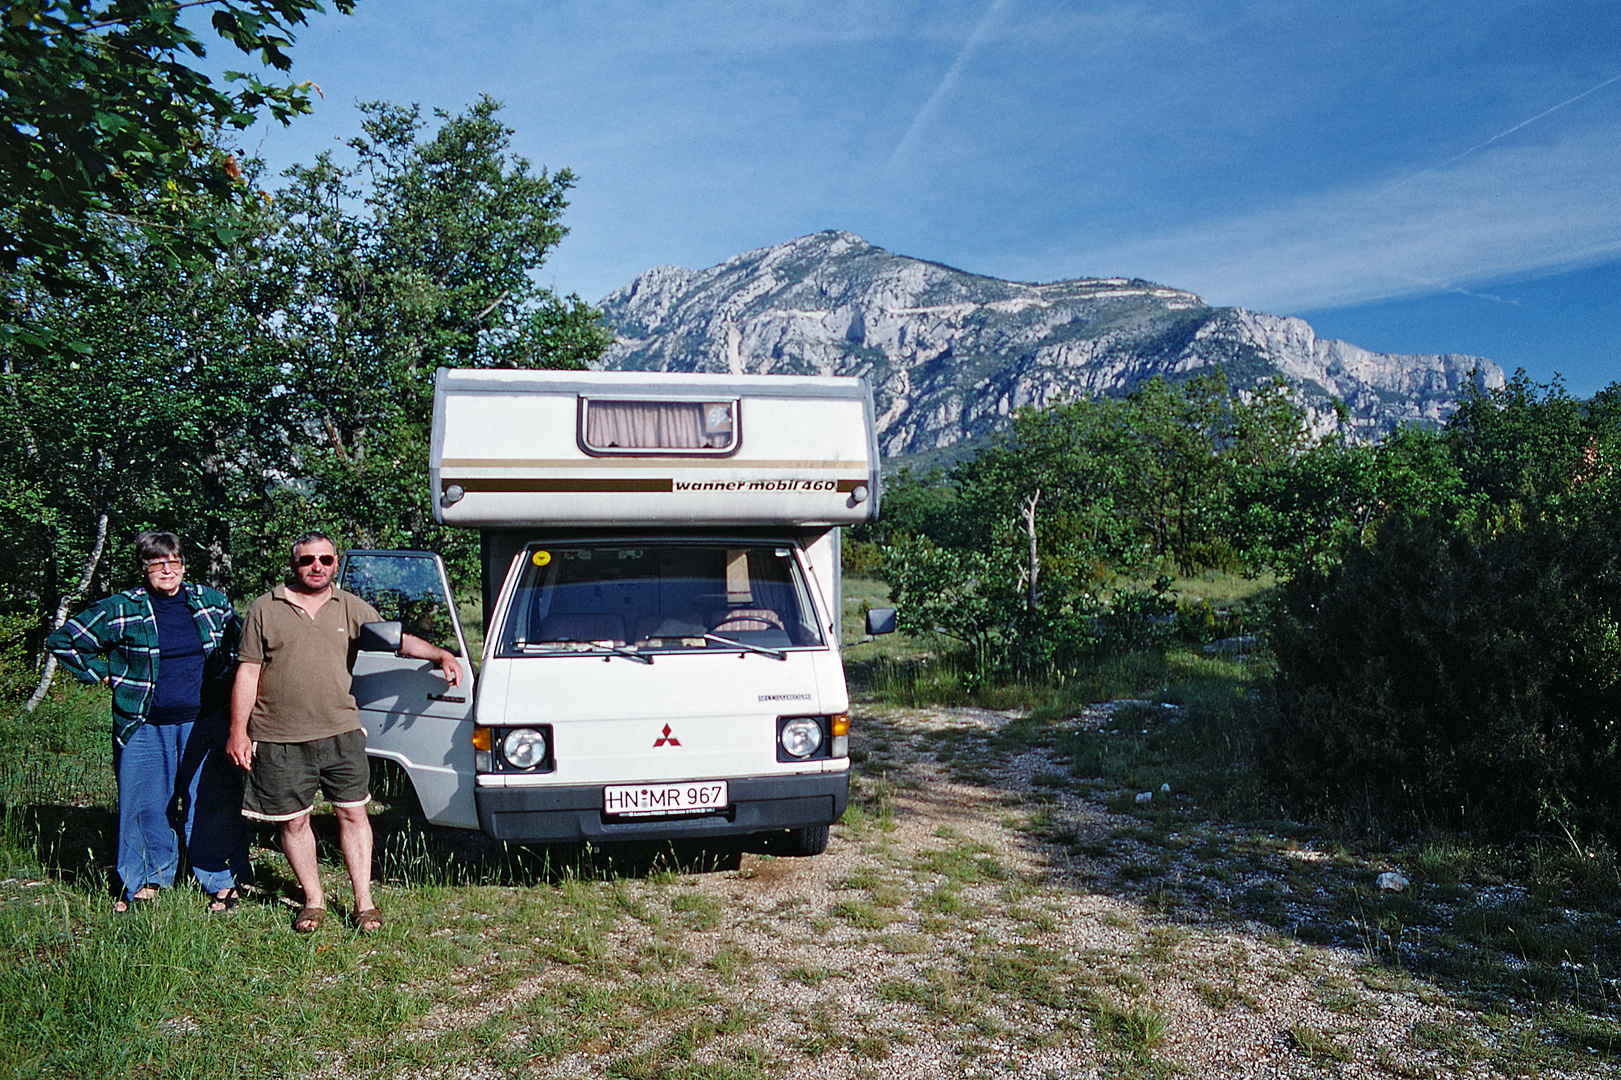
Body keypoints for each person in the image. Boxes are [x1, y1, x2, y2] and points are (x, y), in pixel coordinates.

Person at [225, 532, 462, 933]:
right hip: (279, 734)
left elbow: (397, 641)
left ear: (335, 564)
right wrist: (238, 731)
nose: (316, 566)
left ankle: (363, 902)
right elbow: (247, 671)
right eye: (306, 560)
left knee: (353, 813)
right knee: (295, 821)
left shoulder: (350, 607)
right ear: (293, 564)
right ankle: (313, 901)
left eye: (325, 559)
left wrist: (441, 653)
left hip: (341, 730)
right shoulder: (264, 609)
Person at [47, 532, 249, 914]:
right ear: (144, 569)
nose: (167, 570)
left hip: (205, 722)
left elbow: (244, 648)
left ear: (184, 565)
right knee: (145, 805)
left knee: (211, 801)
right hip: (143, 724)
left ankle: (220, 880)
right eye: (157, 564)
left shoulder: (212, 602)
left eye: (174, 562)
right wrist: (105, 673)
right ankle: (146, 880)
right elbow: (64, 640)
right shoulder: (121, 607)